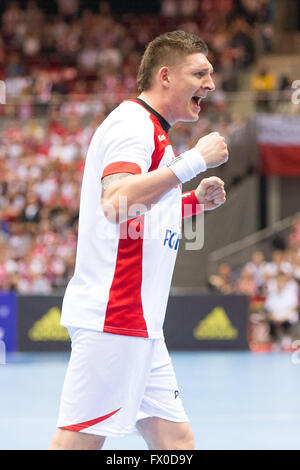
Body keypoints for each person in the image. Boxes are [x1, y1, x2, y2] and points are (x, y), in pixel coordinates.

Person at [50, 30, 228, 451]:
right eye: (199, 73)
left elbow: (140, 212)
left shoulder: (156, 136)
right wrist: (194, 161)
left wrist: (192, 203)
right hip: (116, 317)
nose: (211, 84)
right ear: (165, 76)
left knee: (176, 444)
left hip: (141, 323)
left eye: (211, 73)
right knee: (77, 443)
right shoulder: (134, 124)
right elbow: (115, 202)